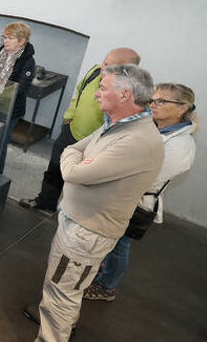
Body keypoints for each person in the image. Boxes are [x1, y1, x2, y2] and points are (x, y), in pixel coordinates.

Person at [7, 64, 164, 342]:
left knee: (63, 289)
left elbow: (74, 170)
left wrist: (75, 160)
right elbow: (76, 148)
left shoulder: (135, 140)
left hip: (87, 230)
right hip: (79, 221)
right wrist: (76, 157)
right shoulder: (118, 124)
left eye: (103, 88)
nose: (97, 94)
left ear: (125, 94)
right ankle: (63, 320)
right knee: (62, 283)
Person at [84, 82, 197, 302]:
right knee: (110, 241)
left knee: (119, 245)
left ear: (182, 108)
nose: (153, 105)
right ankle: (100, 272)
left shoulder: (180, 146)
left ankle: (106, 286)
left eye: (161, 101)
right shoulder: (151, 126)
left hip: (134, 199)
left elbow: (147, 177)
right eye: (153, 99)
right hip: (118, 192)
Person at [19, 47, 141, 211]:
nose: (103, 68)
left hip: (95, 145)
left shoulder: (129, 94)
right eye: (105, 62)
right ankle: (45, 203)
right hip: (71, 132)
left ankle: (71, 215)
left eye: (110, 66)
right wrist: (68, 119)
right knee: (54, 169)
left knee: (81, 183)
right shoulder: (95, 72)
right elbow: (78, 93)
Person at [0, 22, 36, 170]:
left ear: (22, 40)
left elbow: (19, 89)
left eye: (10, 38)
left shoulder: (27, 61)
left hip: (8, 110)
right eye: (4, 37)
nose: (5, 41)